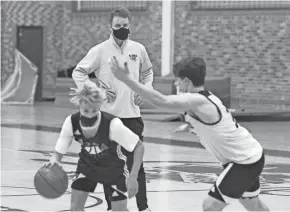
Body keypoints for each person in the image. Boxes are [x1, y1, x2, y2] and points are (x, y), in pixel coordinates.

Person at [109, 56, 270, 211]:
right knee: (254, 206)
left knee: (211, 206)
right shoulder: (207, 98)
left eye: (177, 80)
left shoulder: (198, 101)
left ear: (186, 81)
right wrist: (190, 126)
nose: (176, 84)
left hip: (243, 162)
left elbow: (162, 101)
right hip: (252, 155)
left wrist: (127, 79)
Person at [72, 7, 152, 211]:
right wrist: (96, 91)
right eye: (118, 25)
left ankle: (143, 208)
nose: (122, 28)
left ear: (130, 25)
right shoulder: (99, 50)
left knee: (137, 165)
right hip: (108, 119)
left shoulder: (138, 49)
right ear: (110, 26)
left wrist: (145, 90)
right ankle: (112, 207)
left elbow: (148, 72)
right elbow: (78, 72)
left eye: (125, 25)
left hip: (133, 116)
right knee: (111, 168)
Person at [46, 83, 144, 211]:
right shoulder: (71, 122)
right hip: (87, 167)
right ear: (79, 105)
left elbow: (139, 147)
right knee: (75, 208)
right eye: (86, 110)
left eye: (94, 110)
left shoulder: (113, 124)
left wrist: (133, 177)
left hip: (113, 170)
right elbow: (63, 142)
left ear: (99, 107)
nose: (90, 115)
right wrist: (56, 159)